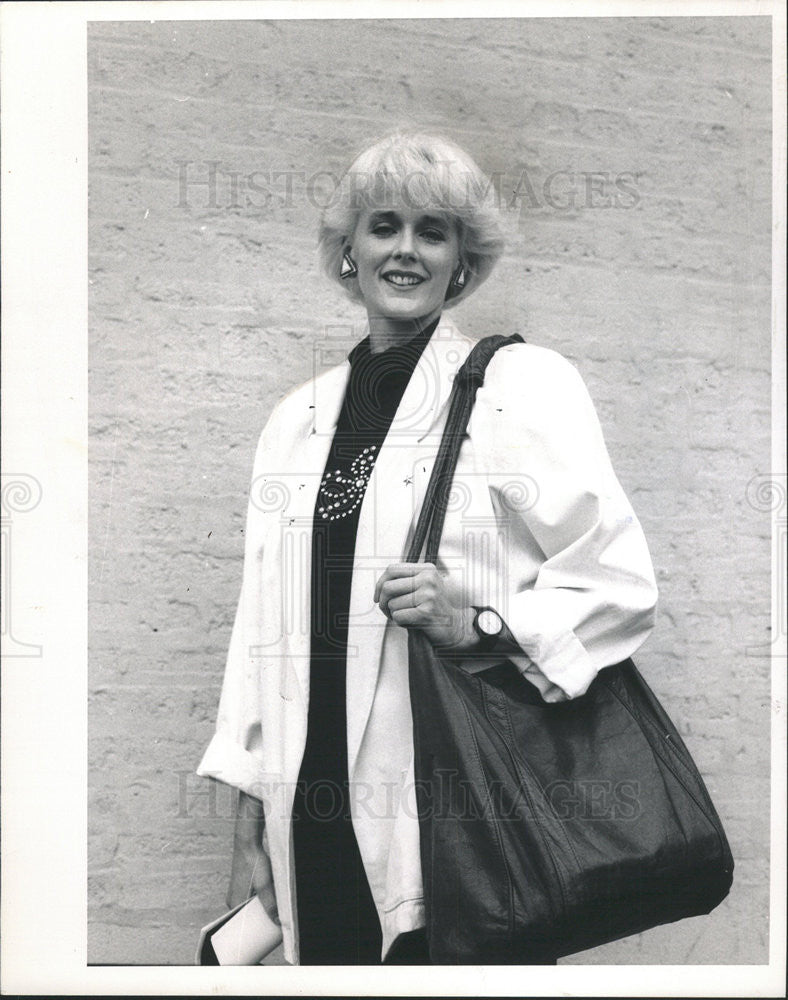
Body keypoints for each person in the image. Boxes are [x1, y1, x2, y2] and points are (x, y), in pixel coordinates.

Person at [196, 132, 658, 965]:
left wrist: (478, 621)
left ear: (461, 262)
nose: (405, 249)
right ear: (349, 251)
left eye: (433, 232)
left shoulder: (518, 388)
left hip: (454, 815)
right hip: (312, 813)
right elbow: (255, 626)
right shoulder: (296, 423)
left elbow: (617, 581)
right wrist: (247, 814)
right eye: (384, 226)